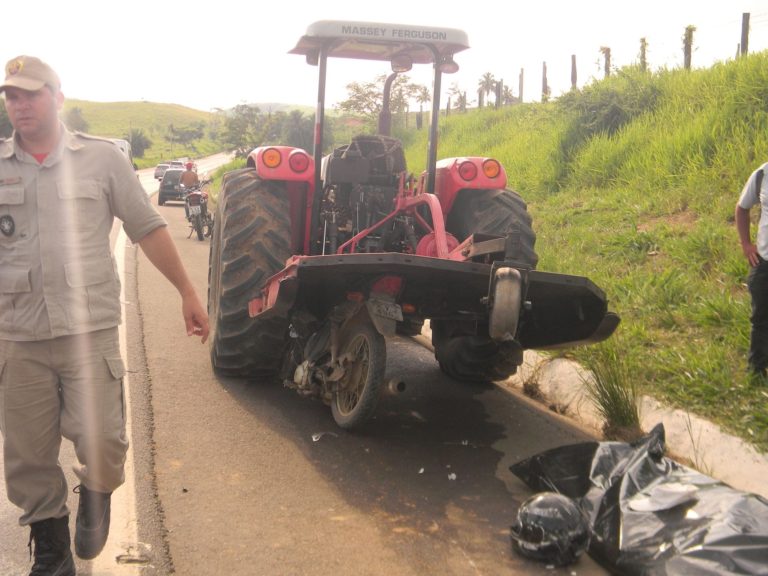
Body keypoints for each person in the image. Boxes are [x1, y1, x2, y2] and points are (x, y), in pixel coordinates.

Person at [0, 55, 209, 575]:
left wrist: (186, 291)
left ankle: (97, 492)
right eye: (11, 96)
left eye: (30, 93)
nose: (19, 104)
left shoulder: (101, 160)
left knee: (105, 440)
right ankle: (52, 550)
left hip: (87, 332)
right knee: (27, 456)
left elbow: (147, 227)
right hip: (17, 336)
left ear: (57, 97)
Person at [735, 162, 768, 382]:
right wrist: (746, 245)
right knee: (761, 318)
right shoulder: (763, 174)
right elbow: (742, 208)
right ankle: (757, 371)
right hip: (765, 262)